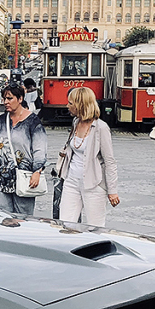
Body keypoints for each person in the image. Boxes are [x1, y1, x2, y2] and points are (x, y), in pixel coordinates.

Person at [55, 87, 119, 224]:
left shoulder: (101, 128)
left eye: (70, 103)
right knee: (65, 224)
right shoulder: (75, 122)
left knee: (95, 228)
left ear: (80, 105)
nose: (67, 106)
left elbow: (110, 161)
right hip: (71, 181)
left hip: (93, 184)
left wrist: (112, 190)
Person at [0, 82, 47, 215]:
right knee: (2, 218)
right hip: (0, 178)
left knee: (23, 219)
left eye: (9, 98)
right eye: (4, 99)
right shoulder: (1, 120)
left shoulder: (33, 122)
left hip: (24, 176)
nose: (5, 102)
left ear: (20, 99)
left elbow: (40, 149)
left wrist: (37, 171)